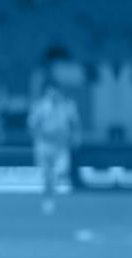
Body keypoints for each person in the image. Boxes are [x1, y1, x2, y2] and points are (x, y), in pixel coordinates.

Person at [27, 84, 81, 215]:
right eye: (50, 92)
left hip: (61, 145)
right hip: (44, 144)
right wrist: (38, 136)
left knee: (62, 170)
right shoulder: (40, 106)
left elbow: (75, 123)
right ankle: (48, 200)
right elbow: (32, 124)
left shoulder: (68, 105)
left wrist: (76, 137)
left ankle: (53, 191)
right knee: (46, 175)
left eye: (56, 92)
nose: (53, 94)